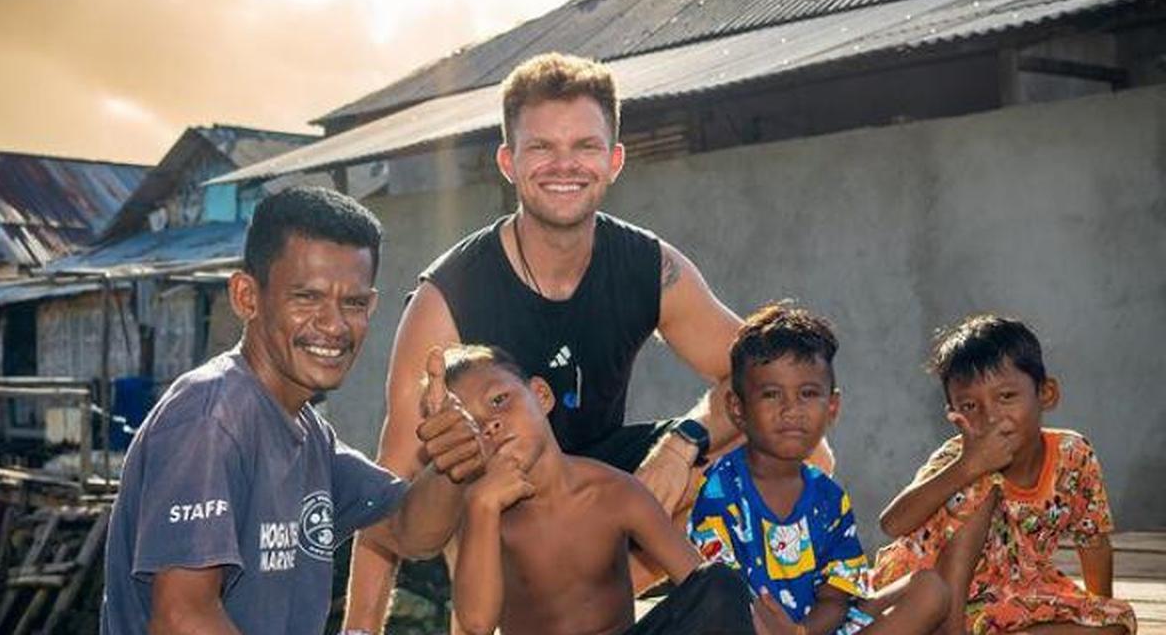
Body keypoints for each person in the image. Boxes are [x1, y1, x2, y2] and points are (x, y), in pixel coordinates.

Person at [345, 52, 832, 633]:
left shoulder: (647, 266)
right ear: (508, 160)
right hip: (503, 501)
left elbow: (761, 381)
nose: (564, 165)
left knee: (798, 447)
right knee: (458, 483)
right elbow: (388, 495)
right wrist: (358, 629)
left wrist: (683, 443)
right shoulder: (448, 298)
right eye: (542, 147)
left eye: (585, 146)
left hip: (603, 482)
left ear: (615, 160)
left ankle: (751, 611)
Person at [100, 187, 485, 635]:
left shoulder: (308, 432)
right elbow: (182, 618)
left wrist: (450, 463)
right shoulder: (210, 418)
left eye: (353, 303)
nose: (334, 325)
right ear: (247, 297)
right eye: (307, 298)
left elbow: (409, 531)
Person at [443, 344, 755, 635]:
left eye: (499, 400)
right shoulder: (483, 515)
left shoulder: (613, 490)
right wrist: (481, 506)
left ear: (540, 395)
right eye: (471, 424)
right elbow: (476, 624)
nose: (490, 425)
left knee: (720, 583)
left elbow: (702, 587)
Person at [691, 303, 950, 635]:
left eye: (808, 394)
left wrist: (800, 633)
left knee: (929, 589)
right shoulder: (721, 490)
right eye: (771, 394)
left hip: (811, 631)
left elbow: (835, 600)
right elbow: (720, 597)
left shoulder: (829, 498)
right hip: (746, 628)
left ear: (832, 407)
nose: (791, 409)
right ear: (738, 409)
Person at [873, 314, 1137, 634]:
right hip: (934, 594)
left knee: (1116, 624)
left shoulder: (1073, 455)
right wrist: (968, 466)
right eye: (970, 406)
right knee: (980, 485)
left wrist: (1095, 609)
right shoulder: (959, 457)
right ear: (953, 413)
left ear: (1046, 393)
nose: (992, 417)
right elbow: (893, 524)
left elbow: (1093, 543)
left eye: (1006, 397)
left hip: (1015, 593)